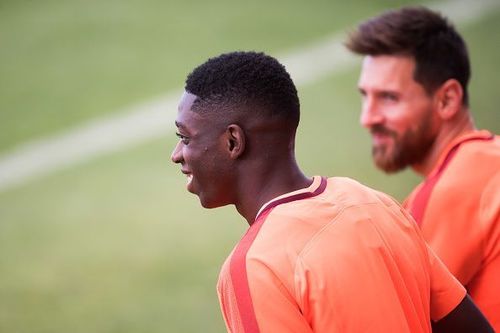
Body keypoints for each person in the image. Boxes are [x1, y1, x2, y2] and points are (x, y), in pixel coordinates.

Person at [170, 51, 493, 332]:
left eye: (186, 138)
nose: (177, 154)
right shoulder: (375, 203)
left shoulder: (254, 266)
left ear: (232, 142)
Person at [346, 6, 500, 330]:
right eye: (365, 96)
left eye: (388, 98)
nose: (368, 118)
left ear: (447, 100)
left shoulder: (455, 187)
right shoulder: (489, 162)